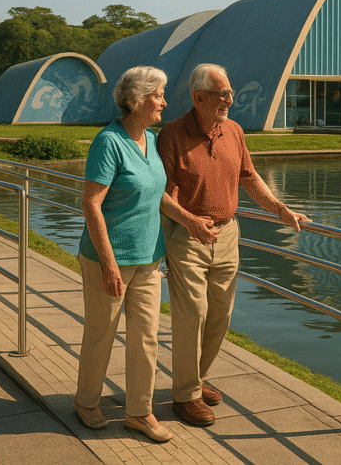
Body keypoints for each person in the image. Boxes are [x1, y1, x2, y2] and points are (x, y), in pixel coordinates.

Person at [157, 63, 310, 427]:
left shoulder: (234, 131)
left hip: (227, 235)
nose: (231, 98)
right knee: (191, 314)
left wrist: (279, 209)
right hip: (188, 235)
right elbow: (159, 194)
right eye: (223, 93)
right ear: (199, 97)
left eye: (230, 92)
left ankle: (195, 377)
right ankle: (185, 395)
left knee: (219, 316)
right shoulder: (172, 135)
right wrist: (190, 221)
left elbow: (249, 176)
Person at [74, 66, 173, 443]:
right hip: (107, 260)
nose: (164, 101)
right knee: (101, 334)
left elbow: (156, 194)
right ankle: (86, 402)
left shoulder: (149, 137)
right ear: (137, 100)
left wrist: (191, 219)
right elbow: (92, 204)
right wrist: (110, 263)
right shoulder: (109, 142)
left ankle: (139, 412)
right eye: (158, 95)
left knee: (147, 337)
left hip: (149, 258)